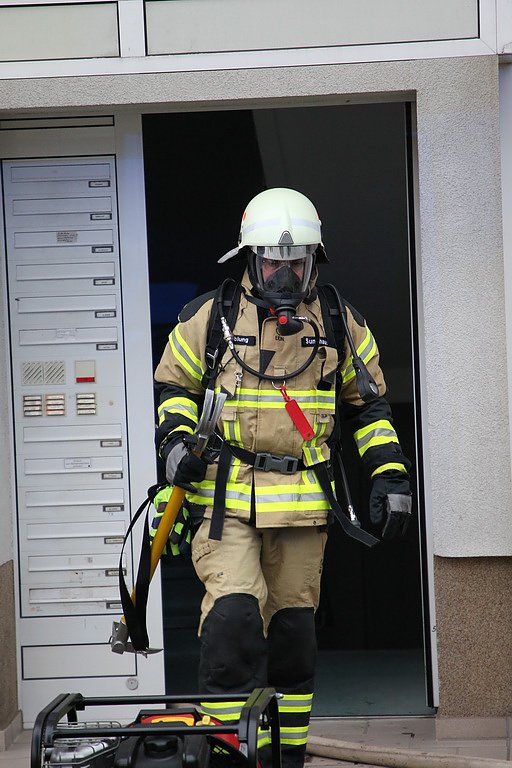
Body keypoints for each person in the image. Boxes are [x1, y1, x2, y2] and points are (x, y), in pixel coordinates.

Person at [152, 188, 412, 768]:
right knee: (232, 626)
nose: (285, 273)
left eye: (297, 261)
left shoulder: (340, 322)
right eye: (273, 261)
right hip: (225, 502)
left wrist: (389, 476)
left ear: (315, 259)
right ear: (251, 257)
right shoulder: (210, 318)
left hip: (301, 505)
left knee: (294, 638)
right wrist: (174, 446)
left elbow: (369, 407)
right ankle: (231, 757)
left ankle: (286, 758)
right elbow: (174, 390)